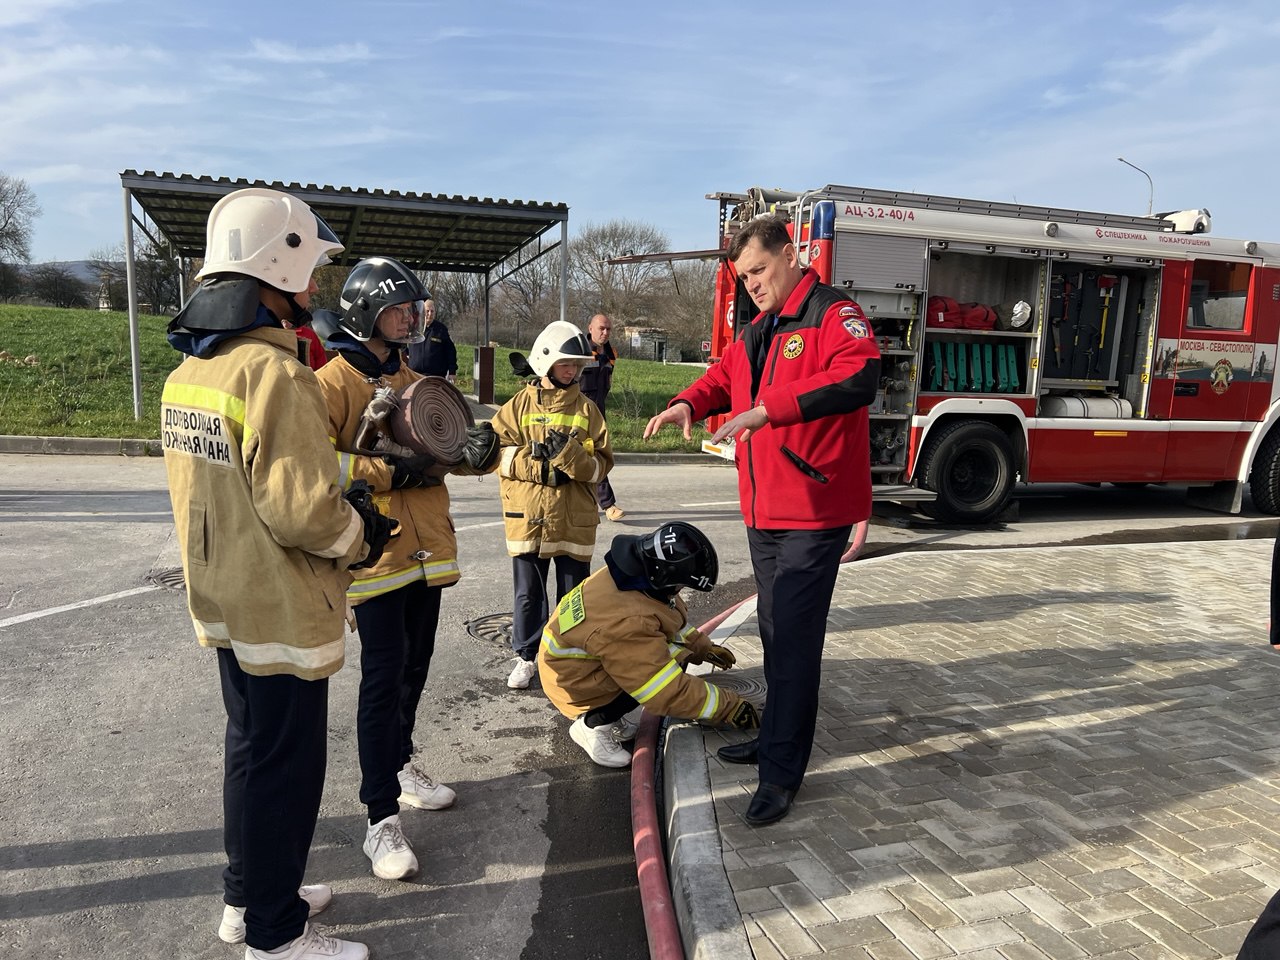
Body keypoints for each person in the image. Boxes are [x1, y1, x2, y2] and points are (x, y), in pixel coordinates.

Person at [162, 187, 389, 960]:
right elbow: (303, 513)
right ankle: (275, 937)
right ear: (270, 268)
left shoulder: (196, 373)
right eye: (307, 270)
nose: (316, 287)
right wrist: (362, 530)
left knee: (249, 750)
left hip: (225, 598)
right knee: (286, 768)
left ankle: (250, 899)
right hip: (282, 606)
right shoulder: (276, 376)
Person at [643, 213, 880, 826]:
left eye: (759, 269)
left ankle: (781, 773)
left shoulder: (831, 314)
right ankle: (775, 738)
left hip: (812, 509)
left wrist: (766, 412)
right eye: (742, 274)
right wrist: (684, 402)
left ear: (792, 255)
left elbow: (859, 375)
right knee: (775, 633)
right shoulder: (758, 327)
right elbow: (724, 377)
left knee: (795, 643)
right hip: (765, 510)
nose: (750, 282)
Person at [314, 256, 499, 882]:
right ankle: (379, 819)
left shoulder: (416, 377)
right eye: (399, 308)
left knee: (416, 670)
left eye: (413, 309)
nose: (410, 319)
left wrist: (479, 451)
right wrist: (386, 471)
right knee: (382, 680)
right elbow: (320, 468)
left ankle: (401, 764)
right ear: (367, 312)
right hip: (375, 558)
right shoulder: (330, 385)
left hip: (428, 553)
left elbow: (442, 451)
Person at [539, 521, 759, 767]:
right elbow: (663, 689)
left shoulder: (632, 577)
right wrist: (728, 707)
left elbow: (666, 619)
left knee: (668, 656)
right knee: (660, 674)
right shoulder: (628, 620)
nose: (679, 591)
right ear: (663, 576)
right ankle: (592, 725)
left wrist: (702, 647)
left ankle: (609, 715)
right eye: (680, 585)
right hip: (576, 684)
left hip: (580, 666)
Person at [490, 320, 613, 690]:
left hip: (573, 520)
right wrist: (542, 469)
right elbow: (494, 454)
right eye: (566, 364)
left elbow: (600, 465)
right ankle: (527, 657)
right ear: (545, 363)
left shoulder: (588, 411)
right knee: (528, 594)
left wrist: (570, 457)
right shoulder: (518, 405)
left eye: (576, 364)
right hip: (528, 517)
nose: (573, 370)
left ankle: (568, 658)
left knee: (572, 598)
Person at [579, 313, 624, 520]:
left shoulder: (611, 353)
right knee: (588, 456)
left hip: (598, 411)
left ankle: (601, 503)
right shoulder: (579, 350)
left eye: (608, 329)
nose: (605, 333)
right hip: (578, 412)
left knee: (596, 455)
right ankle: (608, 504)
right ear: (590, 328)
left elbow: (607, 382)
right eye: (601, 328)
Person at [405, 299, 458, 382]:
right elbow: (403, 345)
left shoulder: (441, 329)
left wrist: (452, 371)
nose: (430, 314)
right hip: (414, 375)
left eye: (432, 311)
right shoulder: (413, 327)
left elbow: (451, 351)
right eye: (427, 311)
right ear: (422, 311)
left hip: (435, 377)